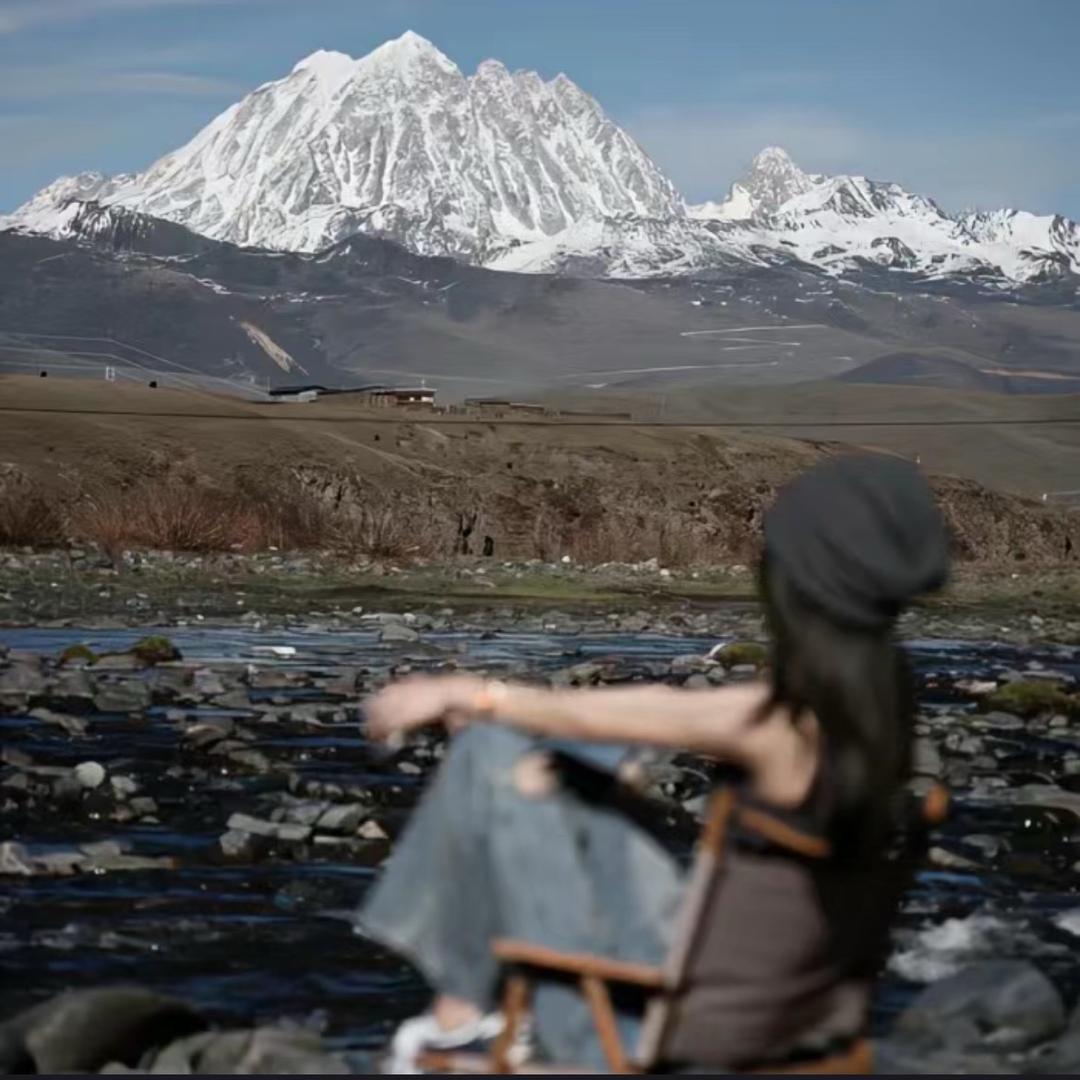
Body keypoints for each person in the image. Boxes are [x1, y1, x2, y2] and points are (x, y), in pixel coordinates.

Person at [359, 452, 950, 1073]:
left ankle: (459, 1020)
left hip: (688, 1026)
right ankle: (461, 1010)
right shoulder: (882, 702)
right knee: (555, 767)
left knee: (488, 750)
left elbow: (677, 713)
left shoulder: (782, 726)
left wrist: (474, 693)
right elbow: (680, 716)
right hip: (798, 1015)